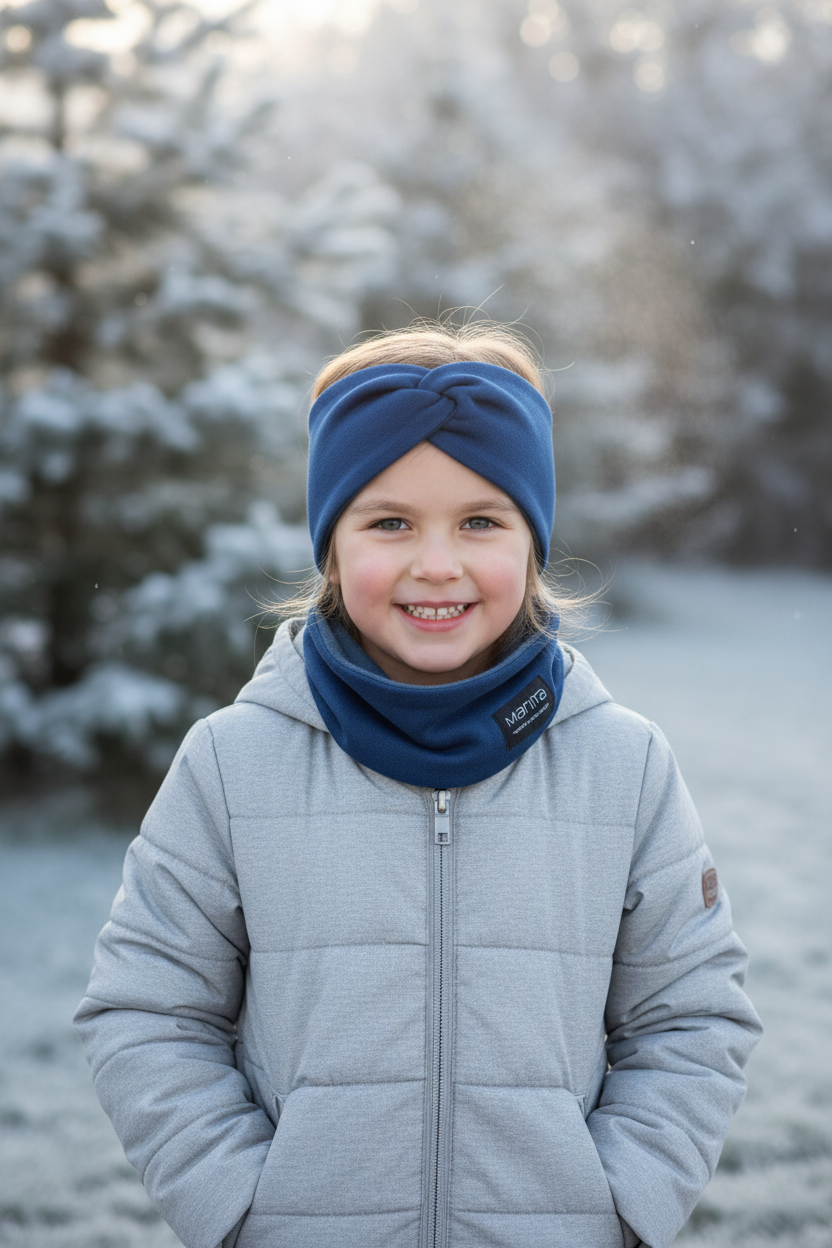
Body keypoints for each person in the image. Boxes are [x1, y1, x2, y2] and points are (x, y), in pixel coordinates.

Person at [74, 322, 761, 1248]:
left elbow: (692, 1017)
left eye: (481, 521)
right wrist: (242, 1210)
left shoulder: (623, 767)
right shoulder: (232, 765)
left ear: (532, 544)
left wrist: (619, 1208)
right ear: (330, 546)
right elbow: (148, 1008)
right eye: (390, 521)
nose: (436, 563)